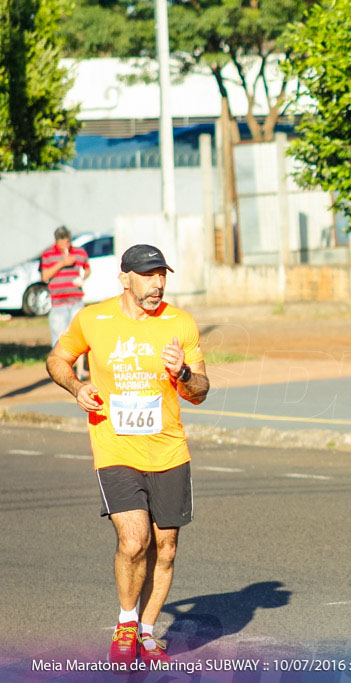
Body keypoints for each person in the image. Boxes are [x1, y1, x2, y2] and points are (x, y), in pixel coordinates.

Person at [45, 244, 209, 668]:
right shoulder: (92, 319)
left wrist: (184, 374)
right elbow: (58, 359)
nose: (157, 283)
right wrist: (76, 388)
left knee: (166, 547)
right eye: (148, 275)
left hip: (169, 449)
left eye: (162, 275)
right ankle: (125, 622)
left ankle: (149, 631)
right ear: (125, 279)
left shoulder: (180, 323)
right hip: (114, 447)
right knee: (134, 540)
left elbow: (201, 393)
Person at [40, 226, 90, 379]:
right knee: (59, 338)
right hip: (58, 302)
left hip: (75, 299)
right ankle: (61, 370)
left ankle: (81, 371)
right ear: (57, 241)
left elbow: (87, 269)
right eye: (63, 242)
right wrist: (62, 263)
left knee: (79, 336)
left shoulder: (79, 252)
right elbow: (45, 276)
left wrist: (82, 277)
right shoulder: (48, 254)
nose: (66, 245)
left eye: (68, 242)